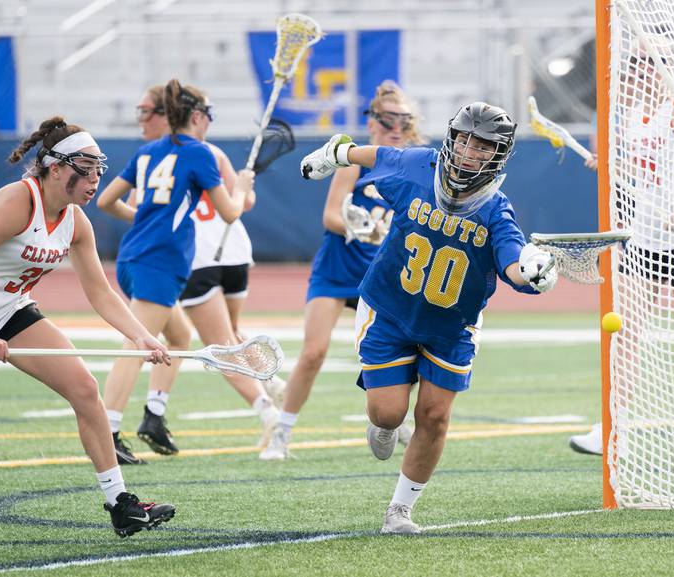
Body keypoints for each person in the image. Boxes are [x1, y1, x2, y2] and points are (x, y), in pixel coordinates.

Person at [0, 117, 175, 537]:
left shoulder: (75, 221)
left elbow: (100, 293)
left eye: (100, 169)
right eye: (86, 168)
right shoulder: (18, 202)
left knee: (85, 389)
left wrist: (141, 335)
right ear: (55, 167)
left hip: (11, 311)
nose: (96, 178)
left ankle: (121, 505)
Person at [300, 102, 558, 533]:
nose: (469, 151)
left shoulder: (496, 208)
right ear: (452, 137)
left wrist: (532, 274)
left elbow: (512, 263)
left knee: (435, 416)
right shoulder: (418, 166)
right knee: (386, 413)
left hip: (451, 326)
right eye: (465, 139)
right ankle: (383, 423)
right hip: (391, 309)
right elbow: (375, 156)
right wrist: (335, 154)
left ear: (498, 155)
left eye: (483, 146)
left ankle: (400, 510)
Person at [96, 80, 279, 465]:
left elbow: (107, 200)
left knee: (177, 334)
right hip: (160, 263)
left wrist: (144, 219)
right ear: (195, 116)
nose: (209, 122)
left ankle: (154, 416)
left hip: (134, 258)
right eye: (208, 116)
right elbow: (231, 211)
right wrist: (243, 188)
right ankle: (108, 433)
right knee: (137, 346)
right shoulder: (200, 154)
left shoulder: (147, 152)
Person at [260, 81, 425, 461]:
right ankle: (281, 433)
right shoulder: (357, 160)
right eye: (388, 120)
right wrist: (360, 226)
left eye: (403, 120)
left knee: (407, 349)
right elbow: (331, 215)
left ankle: (392, 418)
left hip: (382, 274)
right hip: (338, 267)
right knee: (314, 352)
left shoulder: (413, 167)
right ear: (373, 123)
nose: (396, 127)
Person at [570, 49, 674, 457]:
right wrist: (608, 166)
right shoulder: (629, 115)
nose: (641, 72)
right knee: (622, 332)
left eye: (649, 65)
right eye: (636, 65)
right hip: (642, 241)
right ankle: (614, 427)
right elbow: (641, 176)